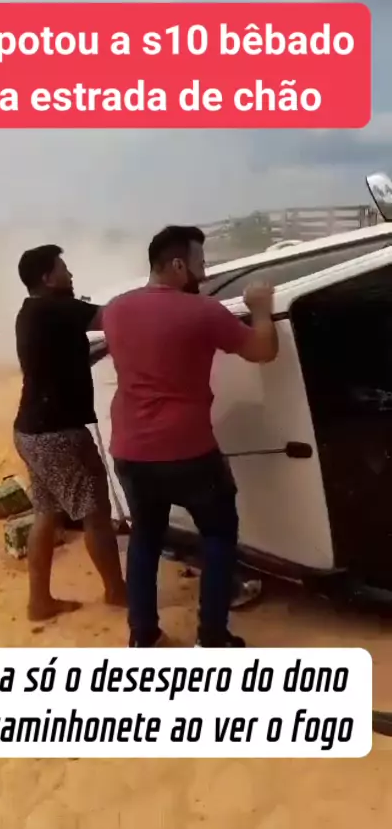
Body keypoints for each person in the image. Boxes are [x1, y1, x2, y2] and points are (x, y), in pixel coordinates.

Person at [102, 225, 278, 648]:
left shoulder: (115, 309)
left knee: (145, 538)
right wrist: (260, 308)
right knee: (218, 534)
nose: (205, 270)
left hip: (130, 449)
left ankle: (144, 636)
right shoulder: (203, 311)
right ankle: (211, 638)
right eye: (201, 262)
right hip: (188, 450)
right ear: (178, 265)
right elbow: (263, 351)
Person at [13, 244, 126, 621]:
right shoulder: (58, 308)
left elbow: (62, 359)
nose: (71, 274)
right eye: (64, 268)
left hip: (31, 431)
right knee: (95, 512)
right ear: (47, 278)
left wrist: (101, 351)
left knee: (46, 514)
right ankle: (117, 592)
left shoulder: (31, 312)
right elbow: (116, 316)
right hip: (58, 434)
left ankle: (38, 602)